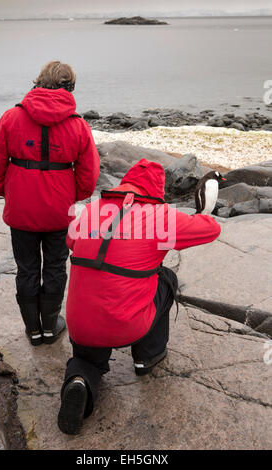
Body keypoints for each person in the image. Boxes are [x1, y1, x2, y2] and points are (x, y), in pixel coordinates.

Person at [58, 158, 221, 435]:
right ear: (156, 192)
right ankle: (147, 356)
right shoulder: (160, 219)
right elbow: (212, 229)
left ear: (123, 183)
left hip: (81, 324)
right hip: (127, 324)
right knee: (166, 278)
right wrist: (204, 211)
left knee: (88, 356)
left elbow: (71, 242)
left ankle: (80, 382)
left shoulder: (87, 212)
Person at [0, 61, 100, 346]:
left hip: (21, 209)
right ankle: (50, 326)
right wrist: (72, 196)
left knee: (26, 268)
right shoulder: (78, 124)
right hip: (59, 211)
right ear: (70, 87)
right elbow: (89, 173)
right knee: (55, 267)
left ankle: (33, 330)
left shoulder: (12, 117)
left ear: (38, 82)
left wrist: (7, 191)